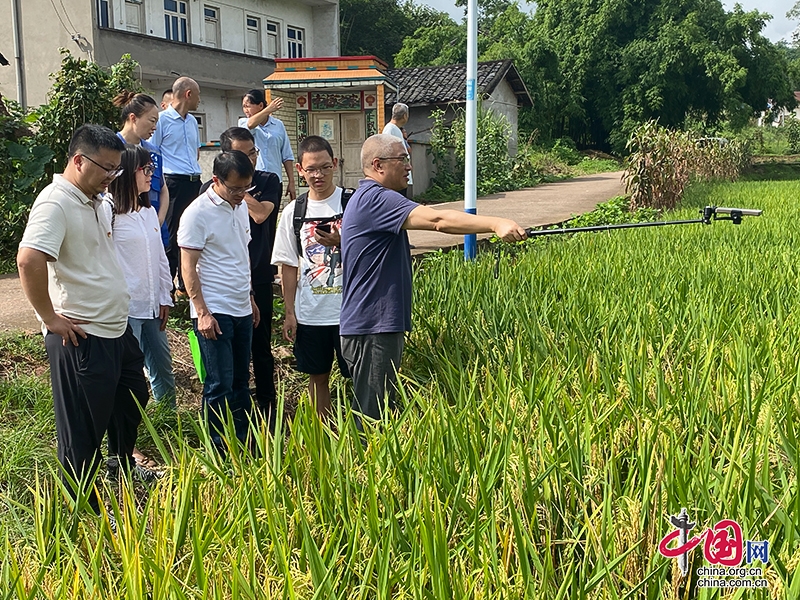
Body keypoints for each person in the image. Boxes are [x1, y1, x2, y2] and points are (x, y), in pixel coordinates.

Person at [339, 134, 526, 421]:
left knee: (381, 415)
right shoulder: (376, 199)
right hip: (372, 328)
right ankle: (360, 466)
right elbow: (438, 221)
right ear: (378, 165)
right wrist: (496, 223)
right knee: (371, 422)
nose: (409, 167)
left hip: (373, 326)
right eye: (402, 160)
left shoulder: (368, 199)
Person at [17, 124, 152, 513]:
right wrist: (49, 317)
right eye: (106, 168)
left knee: (132, 399)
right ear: (79, 160)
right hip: (80, 335)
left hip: (114, 328)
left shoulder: (96, 199)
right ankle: (82, 512)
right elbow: (29, 259)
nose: (113, 177)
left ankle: (120, 465)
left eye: (117, 169)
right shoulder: (55, 202)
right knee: (82, 429)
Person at [200, 127, 281, 427]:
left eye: (253, 153)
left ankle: (267, 407)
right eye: (242, 155)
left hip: (256, 276)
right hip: (219, 292)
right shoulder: (209, 197)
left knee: (260, 347)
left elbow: (261, 215)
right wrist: (229, 189)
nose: (251, 159)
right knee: (225, 369)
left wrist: (238, 191)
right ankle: (226, 427)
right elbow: (192, 252)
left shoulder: (268, 180)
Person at [178, 150, 259, 450]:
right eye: (235, 188)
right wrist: (201, 312)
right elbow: (188, 267)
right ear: (216, 180)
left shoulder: (239, 207)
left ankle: (244, 443)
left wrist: (250, 297)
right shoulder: (197, 213)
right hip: (214, 310)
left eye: (246, 188)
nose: (241, 195)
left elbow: (240, 254)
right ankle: (218, 449)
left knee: (240, 382)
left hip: (240, 305)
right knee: (218, 384)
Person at [272, 136, 351, 420]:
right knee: (317, 377)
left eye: (324, 167)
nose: (318, 175)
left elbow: (371, 252)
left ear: (335, 165)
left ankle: (365, 432)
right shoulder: (294, 212)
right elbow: (288, 266)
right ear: (300, 172)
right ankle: (325, 432)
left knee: (358, 375)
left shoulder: (352, 203)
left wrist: (342, 242)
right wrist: (289, 312)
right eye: (311, 169)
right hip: (311, 315)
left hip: (351, 313)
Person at [106, 144, 176, 410]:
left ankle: (167, 419)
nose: (151, 175)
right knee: (129, 372)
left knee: (162, 367)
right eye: (145, 169)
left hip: (152, 305)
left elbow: (159, 257)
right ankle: (129, 430)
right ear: (125, 172)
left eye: (152, 169)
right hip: (126, 308)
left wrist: (164, 296)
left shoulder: (148, 213)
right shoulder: (110, 212)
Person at [150, 76, 202, 294]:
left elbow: (195, 151)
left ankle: (185, 283)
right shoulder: (161, 120)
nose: (199, 101)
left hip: (193, 181)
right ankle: (166, 287)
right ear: (188, 94)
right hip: (172, 182)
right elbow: (152, 151)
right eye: (198, 96)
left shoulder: (192, 121)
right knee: (171, 235)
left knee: (191, 231)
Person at [113, 91, 170, 249]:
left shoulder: (154, 152)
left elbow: (163, 189)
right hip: (123, 231)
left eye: (156, 122)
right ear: (133, 118)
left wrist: (158, 220)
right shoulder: (111, 148)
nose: (155, 127)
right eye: (152, 121)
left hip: (154, 228)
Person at [239, 89, 296, 201]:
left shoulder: (278, 125)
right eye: (243, 106)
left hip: (275, 180)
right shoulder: (243, 123)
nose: (245, 110)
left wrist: (291, 182)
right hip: (252, 180)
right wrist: (269, 109)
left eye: (248, 106)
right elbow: (250, 125)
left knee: (272, 216)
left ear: (260, 105)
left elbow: (287, 155)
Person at [382, 103, 413, 197]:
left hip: (401, 174)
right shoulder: (390, 129)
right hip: (396, 176)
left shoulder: (396, 129)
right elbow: (387, 152)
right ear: (405, 115)